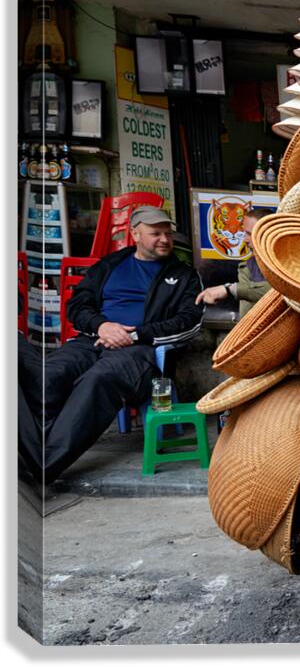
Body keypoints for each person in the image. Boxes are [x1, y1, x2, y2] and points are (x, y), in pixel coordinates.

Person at [19, 206, 204, 486]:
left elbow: (188, 322)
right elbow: (77, 306)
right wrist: (102, 326)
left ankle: (44, 464)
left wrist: (135, 335)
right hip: (92, 340)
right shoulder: (109, 265)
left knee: (98, 380)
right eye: (156, 233)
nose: (165, 239)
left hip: (140, 351)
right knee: (49, 375)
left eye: (167, 233)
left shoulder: (184, 275)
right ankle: (34, 454)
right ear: (135, 234)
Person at [195, 208, 272, 317]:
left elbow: (280, 292)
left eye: (250, 234)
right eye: (244, 233)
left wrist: (230, 289)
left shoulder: (288, 265)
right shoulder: (247, 267)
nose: (245, 239)